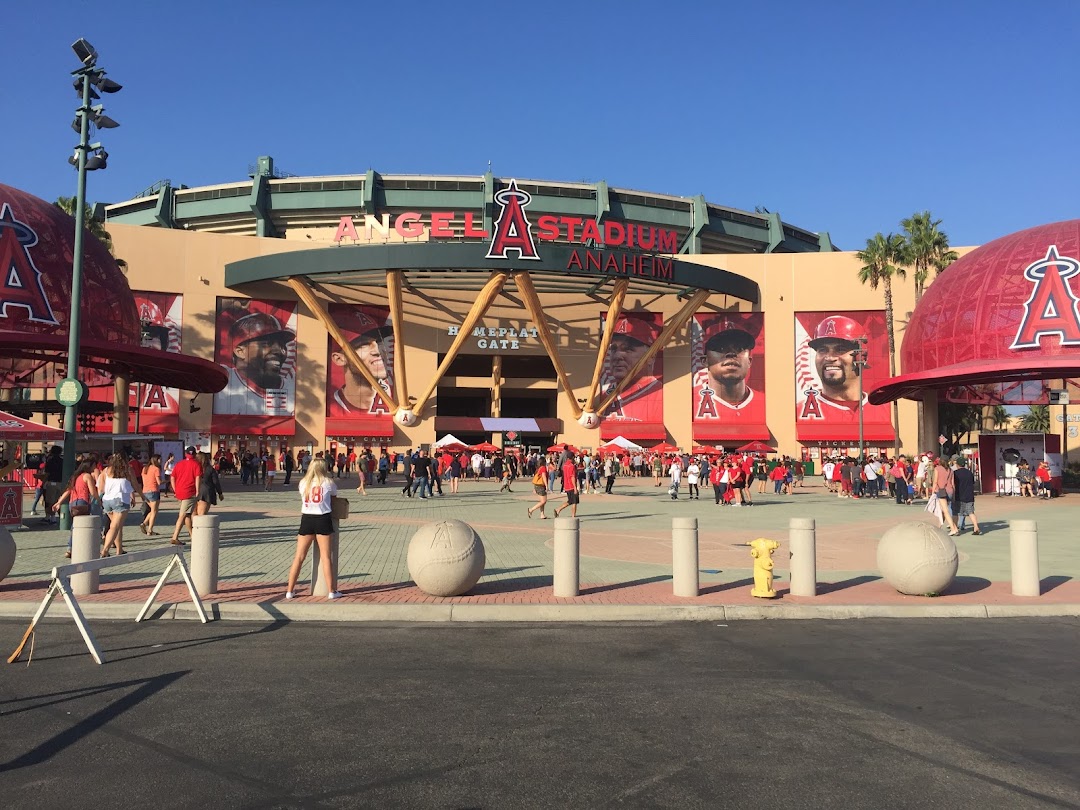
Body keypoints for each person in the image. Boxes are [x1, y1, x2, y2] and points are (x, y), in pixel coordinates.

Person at [214, 308, 296, 416]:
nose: (279, 351)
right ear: (240, 351)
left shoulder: (295, 389)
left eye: (282, 345)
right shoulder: (221, 382)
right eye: (266, 344)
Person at [285, 458, 342, 600]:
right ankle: (331, 591)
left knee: (299, 557)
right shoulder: (328, 483)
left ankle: (289, 591)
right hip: (323, 518)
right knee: (326, 557)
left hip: (306, 519)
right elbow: (334, 497)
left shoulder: (304, 483)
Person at [692, 317, 765, 424]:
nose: (731, 353)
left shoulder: (768, 405)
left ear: (749, 361)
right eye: (721, 348)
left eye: (739, 348)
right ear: (705, 360)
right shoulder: (688, 402)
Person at [327, 309, 395, 417]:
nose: (377, 351)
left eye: (379, 342)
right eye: (363, 345)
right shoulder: (330, 407)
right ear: (339, 359)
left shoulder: (397, 399)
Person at [600, 313, 663, 422]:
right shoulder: (603, 395)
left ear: (651, 357)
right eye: (614, 349)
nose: (617, 356)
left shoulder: (660, 395)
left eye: (628, 349)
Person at [52, 460, 99, 558]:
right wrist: (99, 500)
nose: (95, 468)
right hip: (83, 502)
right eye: (94, 466)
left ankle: (71, 547)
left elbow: (68, 490)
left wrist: (59, 502)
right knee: (79, 526)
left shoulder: (75, 477)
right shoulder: (87, 476)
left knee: (75, 525)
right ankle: (72, 547)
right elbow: (93, 492)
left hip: (72, 502)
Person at [100, 453, 142, 557]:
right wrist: (142, 496)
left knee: (116, 526)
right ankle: (105, 550)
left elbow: (101, 487)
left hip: (107, 500)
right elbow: (135, 484)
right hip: (120, 500)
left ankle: (119, 549)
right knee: (114, 526)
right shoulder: (128, 470)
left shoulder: (106, 470)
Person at [169, 447, 201, 546]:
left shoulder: (179, 464)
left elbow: (172, 477)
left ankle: (192, 535)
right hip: (189, 492)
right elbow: (198, 478)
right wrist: (198, 491)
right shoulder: (196, 464)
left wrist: (175, 489)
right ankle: (175, 536)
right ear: (194, 454)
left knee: (187, 513)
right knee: (183, 515)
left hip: (180, 492)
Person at [950, 457, 981, 534]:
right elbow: (972, 483)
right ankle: (976, 527)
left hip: (958, 496)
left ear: (957, 464)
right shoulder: (969, 473)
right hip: (969, 496)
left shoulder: (955, 473)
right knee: (971, 512)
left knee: (955, 513)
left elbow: (953, 484)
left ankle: (955, 528)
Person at [932, 456, 959, 535]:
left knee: (945, 511)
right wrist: (954, 494)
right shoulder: (951, 470)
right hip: (950, 490)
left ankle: (953, 529)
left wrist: (933, 492)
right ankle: (939, 526)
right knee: (944, 511)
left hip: (941, 491)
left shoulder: (937, 469)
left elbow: (935, 481)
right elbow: (953, 483)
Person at [139, 454, 163, 535]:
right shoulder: (156, 469)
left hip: (145, 491)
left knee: (152, 510)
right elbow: (159, 482)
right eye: (160, 459)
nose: (161, 461)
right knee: (154, 511)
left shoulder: (145, 468)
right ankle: (150, 530)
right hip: (153, 491)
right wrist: (167, 481)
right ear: (156, 460)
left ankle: (144, 523)